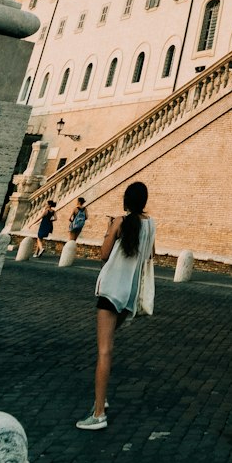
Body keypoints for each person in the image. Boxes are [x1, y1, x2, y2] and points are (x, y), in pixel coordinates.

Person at [76, 181, 155, 431]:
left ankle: (99, 413)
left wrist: (110, 229)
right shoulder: (151, 225)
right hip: (129, 296)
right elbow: (151, 254)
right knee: (107, 347)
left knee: (104, 352)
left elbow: (103, 254)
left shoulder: (120, 222)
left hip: (110, 292)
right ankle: (102, 398)